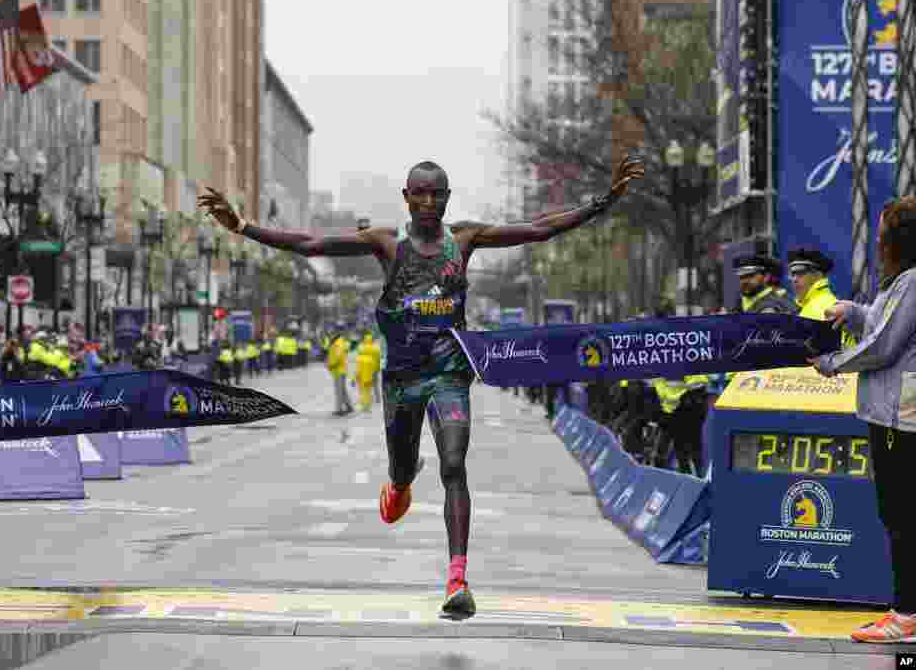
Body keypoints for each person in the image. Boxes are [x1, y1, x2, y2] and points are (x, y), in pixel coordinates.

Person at [199, 154, 644, 619]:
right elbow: (312, 244)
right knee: (403, 467)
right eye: (420, 193)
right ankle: (400, 483)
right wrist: (243, 226)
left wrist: (603, 201)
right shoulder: (387, 244)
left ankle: (457, 579)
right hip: (402, 383)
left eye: (437, 194)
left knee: (455, 465)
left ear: (448, 199)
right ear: (406, 197)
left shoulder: (466, 239)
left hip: (450, 374)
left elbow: (538, 228)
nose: (429, 202)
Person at [811, 196, 916, 643]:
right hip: (894, 414)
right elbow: (879, 323)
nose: (876, 240)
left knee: (902, 516)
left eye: (882, 233)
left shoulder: (912, 280)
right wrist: (852, 312)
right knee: (899, 514)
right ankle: (904, 609)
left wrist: (832, 362)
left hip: (901, 418)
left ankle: (907, 614)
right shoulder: (904, 282)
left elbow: (883, 345)